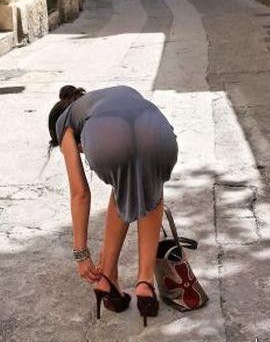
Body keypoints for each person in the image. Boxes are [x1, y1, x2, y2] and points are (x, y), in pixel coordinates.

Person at [48, 84, 178, 326]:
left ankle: (107, 279)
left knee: (125, 185)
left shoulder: (64, 120)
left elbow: (80, 193)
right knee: (148, 186)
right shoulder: (115, 94)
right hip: (159, 133)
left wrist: (81, 255)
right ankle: (143, 283)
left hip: (110, 139)